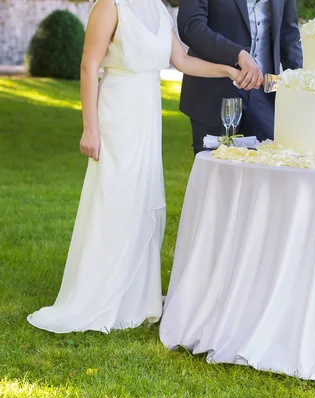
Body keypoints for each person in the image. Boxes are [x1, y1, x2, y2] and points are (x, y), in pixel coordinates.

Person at [27, 0, 239, 334]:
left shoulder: (157, 8)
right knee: (114, 202)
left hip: (147, 114)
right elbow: (88, 66)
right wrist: (90, 128)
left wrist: (227, 70)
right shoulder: (109, 5)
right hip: (116, 113)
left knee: (141, 200)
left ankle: (138, 299)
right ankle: (99, 295)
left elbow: (181, 60)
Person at [177, 0, 303, 155]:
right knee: (217, 174)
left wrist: (298, 87)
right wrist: (237, 54)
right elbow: (191, 26)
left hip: (264, 95)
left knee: (267, 170)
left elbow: (288, 33)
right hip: (213, 95)